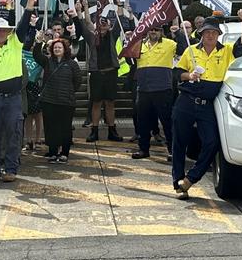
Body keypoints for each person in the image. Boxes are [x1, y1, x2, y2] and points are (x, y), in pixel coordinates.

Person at [171, 9, 242, 199]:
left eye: (214, 32)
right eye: (207, 32)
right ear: (201, 33)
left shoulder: (226, 51)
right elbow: (176, 74)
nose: (210, 35)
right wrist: (188, 75)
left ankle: (191, 179)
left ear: (218, 35)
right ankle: (178, 184)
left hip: (207, 104)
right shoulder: (191, 51)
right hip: (186, 101)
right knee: (179, 143)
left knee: (212, 142)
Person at [0, 0, 36, 183]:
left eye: (4, 30)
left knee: (14, 134)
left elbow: (22, 25)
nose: (1, 32)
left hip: (13, 98)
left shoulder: (16, 43)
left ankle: (11, 169)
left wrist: (29, 5)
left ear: (9, 32)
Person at [129, 23, 185, 160]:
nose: (153, 31)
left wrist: (178, 33)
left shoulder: (169, 44)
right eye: (151, 29)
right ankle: (143, 149)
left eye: (156, 29)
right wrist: (129, 43)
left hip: (162, 89)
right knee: (143, 122)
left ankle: (173, 151)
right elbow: (129, 59)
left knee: (167, 122)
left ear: (161, 31)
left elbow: (183, 49)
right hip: (143, 89)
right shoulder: (140, 44)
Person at [34, 34, 84, 163]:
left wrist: (69, 91)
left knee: (65, 128)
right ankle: (52, 151)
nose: (57, 49)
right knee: (50, 127)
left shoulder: (72, 64)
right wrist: (39, 42)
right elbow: (36, 56)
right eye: (55, 47)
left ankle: (64, 152)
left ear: (65, 49)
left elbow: (78, 80)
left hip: (66, 102)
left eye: (59, 47)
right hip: (49, 101)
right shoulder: (47, 61)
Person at [83, 11, 123, 143]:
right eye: (100, 24)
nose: (103, 26)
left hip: (111, 73)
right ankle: (94, 131)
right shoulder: (92, 38)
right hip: (97, 73)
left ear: (109, 25)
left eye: (105, 23)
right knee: (96, 103)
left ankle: (112, 131)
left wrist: (120, 5)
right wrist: (81, 11)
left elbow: (119, 18)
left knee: (110, 103)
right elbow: (85, 25)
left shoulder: (113, 35)